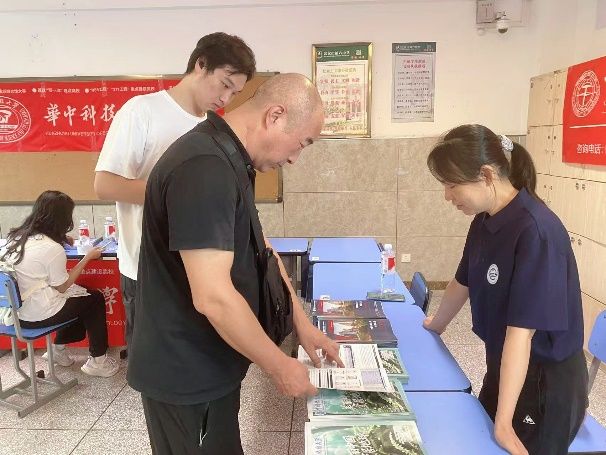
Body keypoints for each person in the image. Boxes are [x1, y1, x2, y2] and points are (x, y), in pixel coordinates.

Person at [127, 73, 343, 454]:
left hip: (212, 362)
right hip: (185, 375)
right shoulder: (203, 167)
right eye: (301, 143)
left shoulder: (230, 160)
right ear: (275, 116)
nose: (294, 158)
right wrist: (279, 366)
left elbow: (263, 249)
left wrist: (302, 324)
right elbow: (213, 297)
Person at [424, 124, 588, 455]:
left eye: (452, 185)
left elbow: (521, 335)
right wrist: (435, 325)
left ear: (486, 175)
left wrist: (503, 422)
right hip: (505, 365)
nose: (447, 196)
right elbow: (462, 281)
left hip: (542, 381)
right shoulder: (484, 220)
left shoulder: (536, 232)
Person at [93, 32, 256, 351]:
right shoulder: (142, 111)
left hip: (199, 273)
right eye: (224, 84)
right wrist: (177, 194)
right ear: (201, 64)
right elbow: (104, 185)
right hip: (148, 272)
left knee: (194, 364)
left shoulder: (214, 128)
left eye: (234, 93)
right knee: (153, 369)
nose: (226, 99)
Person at [1, 191, 119, 377]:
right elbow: (62, 286)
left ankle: (58, 349)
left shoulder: (15, 237)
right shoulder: (52, 248)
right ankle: (98, 361)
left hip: (13, 315)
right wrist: (88, 257)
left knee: (82, 294)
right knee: (94, 299)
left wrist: (60, 242)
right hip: (35, 316)